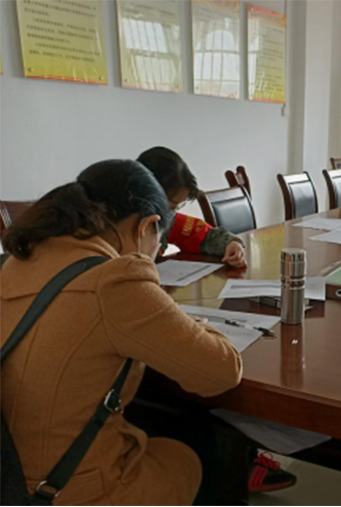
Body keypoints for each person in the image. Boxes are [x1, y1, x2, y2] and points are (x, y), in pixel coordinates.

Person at [0, 160, 243, 505]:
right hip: (65, 492)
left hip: (9, 479)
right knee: (208, 442)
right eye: (159, 242)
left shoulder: (15, 262)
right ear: (147, 226)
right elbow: (222, 372)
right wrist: (196, 327)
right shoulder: (116, 280)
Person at [136, 147, 247, 268]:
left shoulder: (169, 220)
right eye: (171, 205)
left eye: (179, 206)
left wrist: (231, 244)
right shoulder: (124, 228)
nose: (173, 212)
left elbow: (203, 236)